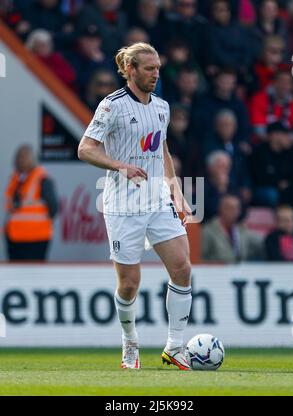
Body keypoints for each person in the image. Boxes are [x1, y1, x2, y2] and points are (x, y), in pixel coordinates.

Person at [78, 42, 193, 370]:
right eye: (149, 68)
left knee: (183, 268)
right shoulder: (111, 106)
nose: (156, 73)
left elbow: (162, 150)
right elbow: (85, 149)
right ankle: (130, 342)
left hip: (157, 200)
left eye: (158, 67)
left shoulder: (162, 107)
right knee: (129, 284)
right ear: (130, 70)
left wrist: (175, 189)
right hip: (123, 207)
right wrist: (120, 166)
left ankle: (174, 346)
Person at [4, 145, 58, 261]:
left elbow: (53, 207)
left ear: (32, 159)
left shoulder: (42, 179)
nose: (20, 160)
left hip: (36, 238)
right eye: (18, 157)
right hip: (15, 238)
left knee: (35, 276)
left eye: (24, 156)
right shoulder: (15, 179)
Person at [202, 194, 264, 263]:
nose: (235, 212)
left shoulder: (241, 230)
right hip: (215, 272)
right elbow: (200, 257)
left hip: (240, 272)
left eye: (237, 208)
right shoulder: (208, 231)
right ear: (221, 209)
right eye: (230, 208)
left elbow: (263, 243)